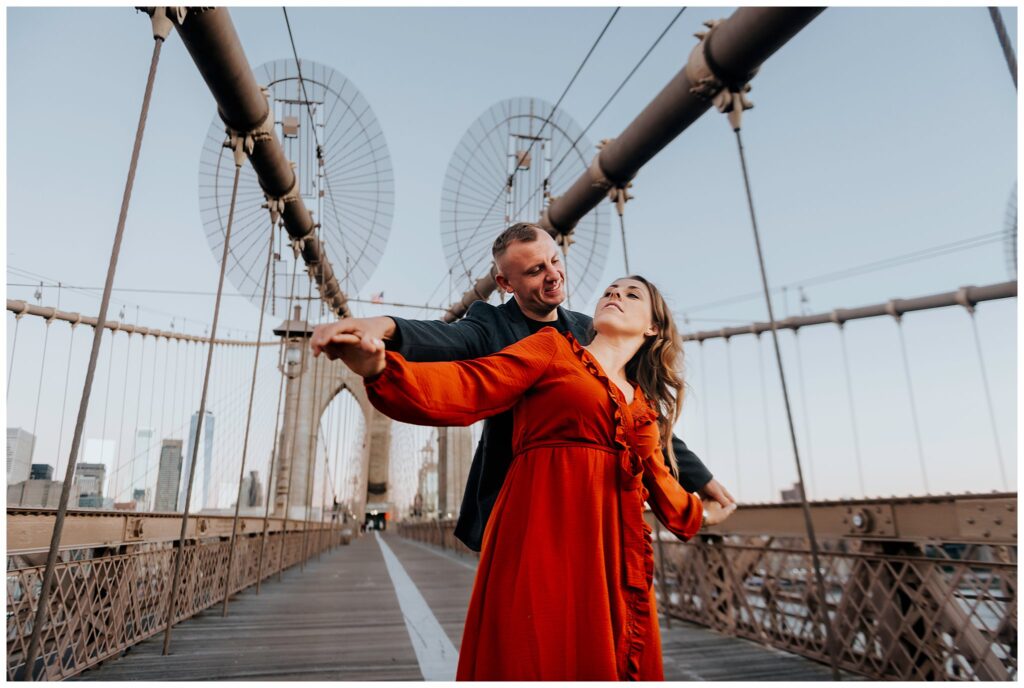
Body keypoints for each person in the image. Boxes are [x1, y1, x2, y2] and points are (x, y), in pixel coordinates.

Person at [331, 275, 737, 680]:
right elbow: (470, 383)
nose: (615, 294)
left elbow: (661, 481)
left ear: (652, 328)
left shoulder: (642, 405)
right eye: (610, 290)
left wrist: (704, 512)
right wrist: (382, 369)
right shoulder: (550, 348)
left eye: (632, 294)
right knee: (533, 649)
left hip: (611, 553)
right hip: (539, 534)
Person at [311, 223, 735, 551]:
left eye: (554, 260)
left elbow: (636, 415)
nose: (553, 276)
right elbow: (450, 353)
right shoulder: (492, 324)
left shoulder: (591, 332)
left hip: (595, 510)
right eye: (535, 271)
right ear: (505, 284)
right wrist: (381, 330)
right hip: (523, 509)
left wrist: (700, 477)